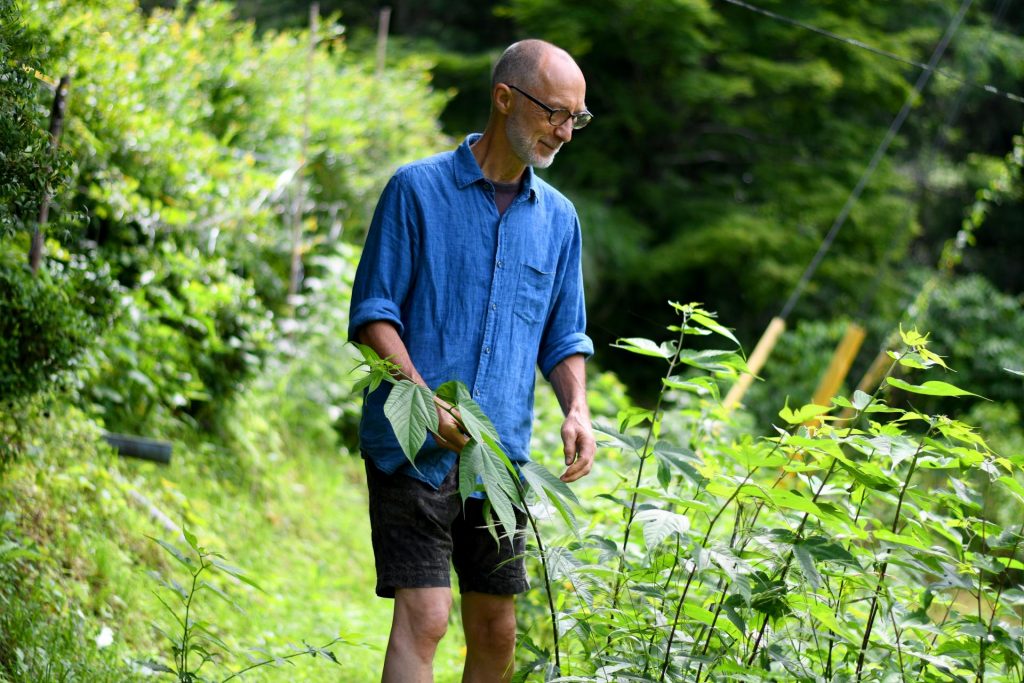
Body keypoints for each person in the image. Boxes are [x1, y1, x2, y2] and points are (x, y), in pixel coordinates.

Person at [348, 38, 596, 682]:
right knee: (426, 617)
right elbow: (374, 314)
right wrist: (424, 405)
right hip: (411, 445)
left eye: (578, 118)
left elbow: (564, 336)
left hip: (499, 457)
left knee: (496, 630)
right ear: (504, 97)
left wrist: (578, 408)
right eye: (555, 113)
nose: (566, 132)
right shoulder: (415, 190)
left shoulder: (560, 220)